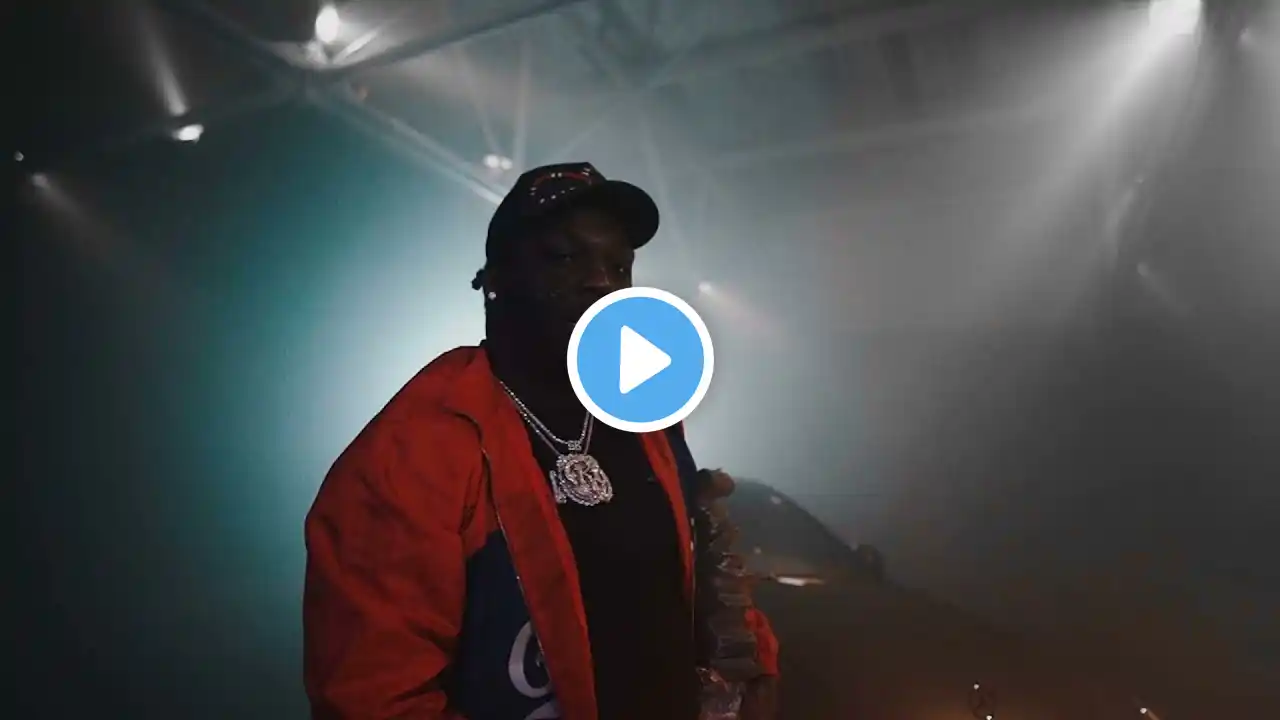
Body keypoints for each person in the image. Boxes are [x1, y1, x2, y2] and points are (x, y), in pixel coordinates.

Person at [303, 162, 779, 720]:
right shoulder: (417, 449)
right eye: (565, 257)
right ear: (495, 280)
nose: (602, 281)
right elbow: (374, 697)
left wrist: (753, 671)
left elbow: (697, 579)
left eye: (618, 265)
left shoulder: (645, 417)